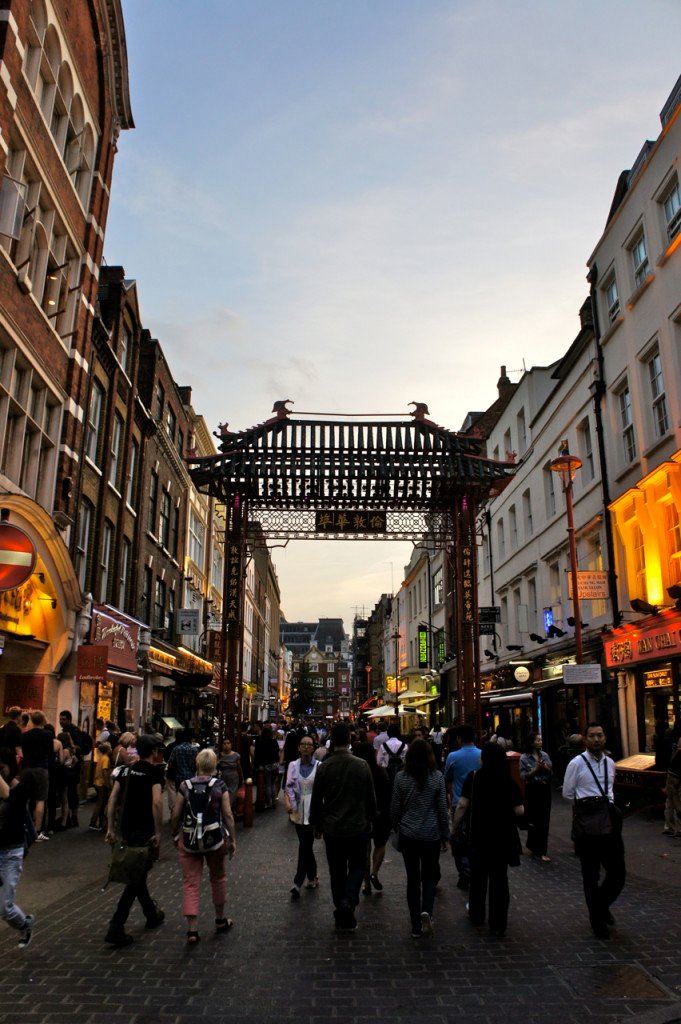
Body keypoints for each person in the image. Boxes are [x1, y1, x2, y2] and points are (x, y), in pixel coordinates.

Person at [309, 721, 377, 931]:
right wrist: (372, 818)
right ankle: (348, 901)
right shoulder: (361, 765)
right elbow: (370, 797)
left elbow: (316, 798)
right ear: (349, 740)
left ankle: (341, 903)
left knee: (336, 869)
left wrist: (316, 824)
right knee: (357, 865)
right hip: (357, 826)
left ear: (332, 741)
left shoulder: (325, 767)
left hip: (333, 828)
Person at [453, 742, 524, 938]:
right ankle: (498, 923)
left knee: (478, 877)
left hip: (479, 835)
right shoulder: (508, 781)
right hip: (502, 837)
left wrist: (454, 826)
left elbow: (462, 804)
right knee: (500, 879)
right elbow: (520, 810)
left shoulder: (474, 777)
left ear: (484, 758)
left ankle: (476, 914)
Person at [562, 721, 625, 940]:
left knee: (618, 873)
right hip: (588, 825)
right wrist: (588, 803)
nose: (596, 739)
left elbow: (610, 790)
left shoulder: (610, 763)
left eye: (599, 735)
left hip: (609, 823)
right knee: (590, 874)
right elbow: (568, 794)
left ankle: (600, 906)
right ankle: (597, 921)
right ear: (585, 739)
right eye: (592, 736)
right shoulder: (576, 764)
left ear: (605, 737)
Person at [171, 747, 236, 945]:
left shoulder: (185, 785)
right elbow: (227, 815)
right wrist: (232, 839)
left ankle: (192, 930)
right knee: (218, 877)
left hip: (189, 839)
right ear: (215, 765)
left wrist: (175, 834)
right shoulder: (219, 786)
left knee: (191, 883)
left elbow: (176, 813)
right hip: (214, 838)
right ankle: (220, 919)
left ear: (197, 765)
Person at [104, 734, 165, 946]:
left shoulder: (125, 770)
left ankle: (151, 913)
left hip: (125, 828)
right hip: (143, 829)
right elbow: (157, 802)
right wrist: (158, 832)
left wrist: (110, 827)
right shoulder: (155, 772)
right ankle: (116, 925)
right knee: (135, 875)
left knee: (136, 873)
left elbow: (112, 800)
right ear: (155, 752)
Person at [391, 738, 449, 938]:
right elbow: (442, 809)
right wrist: (445, 834)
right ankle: (427, 911)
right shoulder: (437, 777)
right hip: (431, 834)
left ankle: (415, 925)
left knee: (413, 879)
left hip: (408, 834)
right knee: (430, 876)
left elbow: (395, 808)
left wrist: (395, 824)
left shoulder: (401, 778)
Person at [0, 746, 34, 948]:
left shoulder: (20, 789)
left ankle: (25, 924)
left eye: (1, 767)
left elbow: (7, 796)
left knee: (5, 909)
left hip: (11, 853)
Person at [444, 725, 481, 889]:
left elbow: (447, 777)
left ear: (459, 739)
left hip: (458, 802)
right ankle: (476, 868)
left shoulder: (453, 756)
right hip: (479, 803)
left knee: (459, 840)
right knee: (476, 838)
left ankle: (464, 872)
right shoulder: (482, 754)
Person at [352, 741, 391, 895]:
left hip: (362, 815)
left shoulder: (355, 773)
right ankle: (375, 871)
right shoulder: (380, 772)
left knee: (365, 850)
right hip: (380, 814)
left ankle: (366, 883)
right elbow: (388, 794)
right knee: (380, 845)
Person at [284, 735, 320, 898]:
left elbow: (322, 790)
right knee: (305, 844)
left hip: (314, 811)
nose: (306, 747)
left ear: (313, 748)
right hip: (298, 810)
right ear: (299, 748)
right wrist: (289, 804)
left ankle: (298, 881)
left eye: (309, 744)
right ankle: (312, 876)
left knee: (305, 844)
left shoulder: (320, 766)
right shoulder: (293, 765)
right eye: (303, 744)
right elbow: (289, 787)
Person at [519, 731, 553, 861]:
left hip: (544, 789)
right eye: (538, 740)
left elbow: (551, 771)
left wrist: (546, 768)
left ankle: (542, 850)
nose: (540, 742)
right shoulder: (524, 758)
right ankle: (533, 846)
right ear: (532, 742)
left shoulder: (545, 755)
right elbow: (524, 776)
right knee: (533, 819)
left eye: (541, 740)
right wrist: (536, 770)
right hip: (532, 790)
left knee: (544, 819)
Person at [20, 711, 53, 839]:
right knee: (41, 799)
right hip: (41, 767)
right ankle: (37, 830)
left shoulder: (25, 735)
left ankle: (23, 825)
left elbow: (23, 751)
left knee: (25, 798)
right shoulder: (48, 734)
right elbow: (50, 752)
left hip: (27, 767)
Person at [252, 724, 281, 809]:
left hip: (265, 765)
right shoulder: (274, 741)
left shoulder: (259, 741)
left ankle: (269, 802)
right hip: (274, 765)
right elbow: (277, 752)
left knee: (267, 784)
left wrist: (257, 765)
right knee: (272, 783)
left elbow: (257, 754)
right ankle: (274, 801)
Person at [57, 731, 81, 828]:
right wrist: (71, 766)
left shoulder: (65, 751)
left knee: (64, 798)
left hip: (64, 776)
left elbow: (61, 762)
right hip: (71, 776)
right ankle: (70, 818)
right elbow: (76, 760)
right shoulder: (72, 750)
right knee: (70, 796)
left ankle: (64, 820)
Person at [89, 741, 112, 830]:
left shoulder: (101, 758)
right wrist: (107, 784)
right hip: (101, 783)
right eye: (110, 748)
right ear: (107, 750)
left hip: (97, 782)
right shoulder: (106, 758)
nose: (111, 749)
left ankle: (99, 821)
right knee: (100, 803)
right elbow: (105, 770)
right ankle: (93, 822)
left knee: (101, 803)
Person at [217, 738, 244, 810]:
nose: (226, 745)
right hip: (223, 778)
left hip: (233, 778)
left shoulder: (236, 755)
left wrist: (242, 778)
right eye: (224, 743)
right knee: (224, 794)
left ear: (231, 745)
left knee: (232, 794)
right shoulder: (219, 755)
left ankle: (228, 809)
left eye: (228, 743)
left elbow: (239, 767)